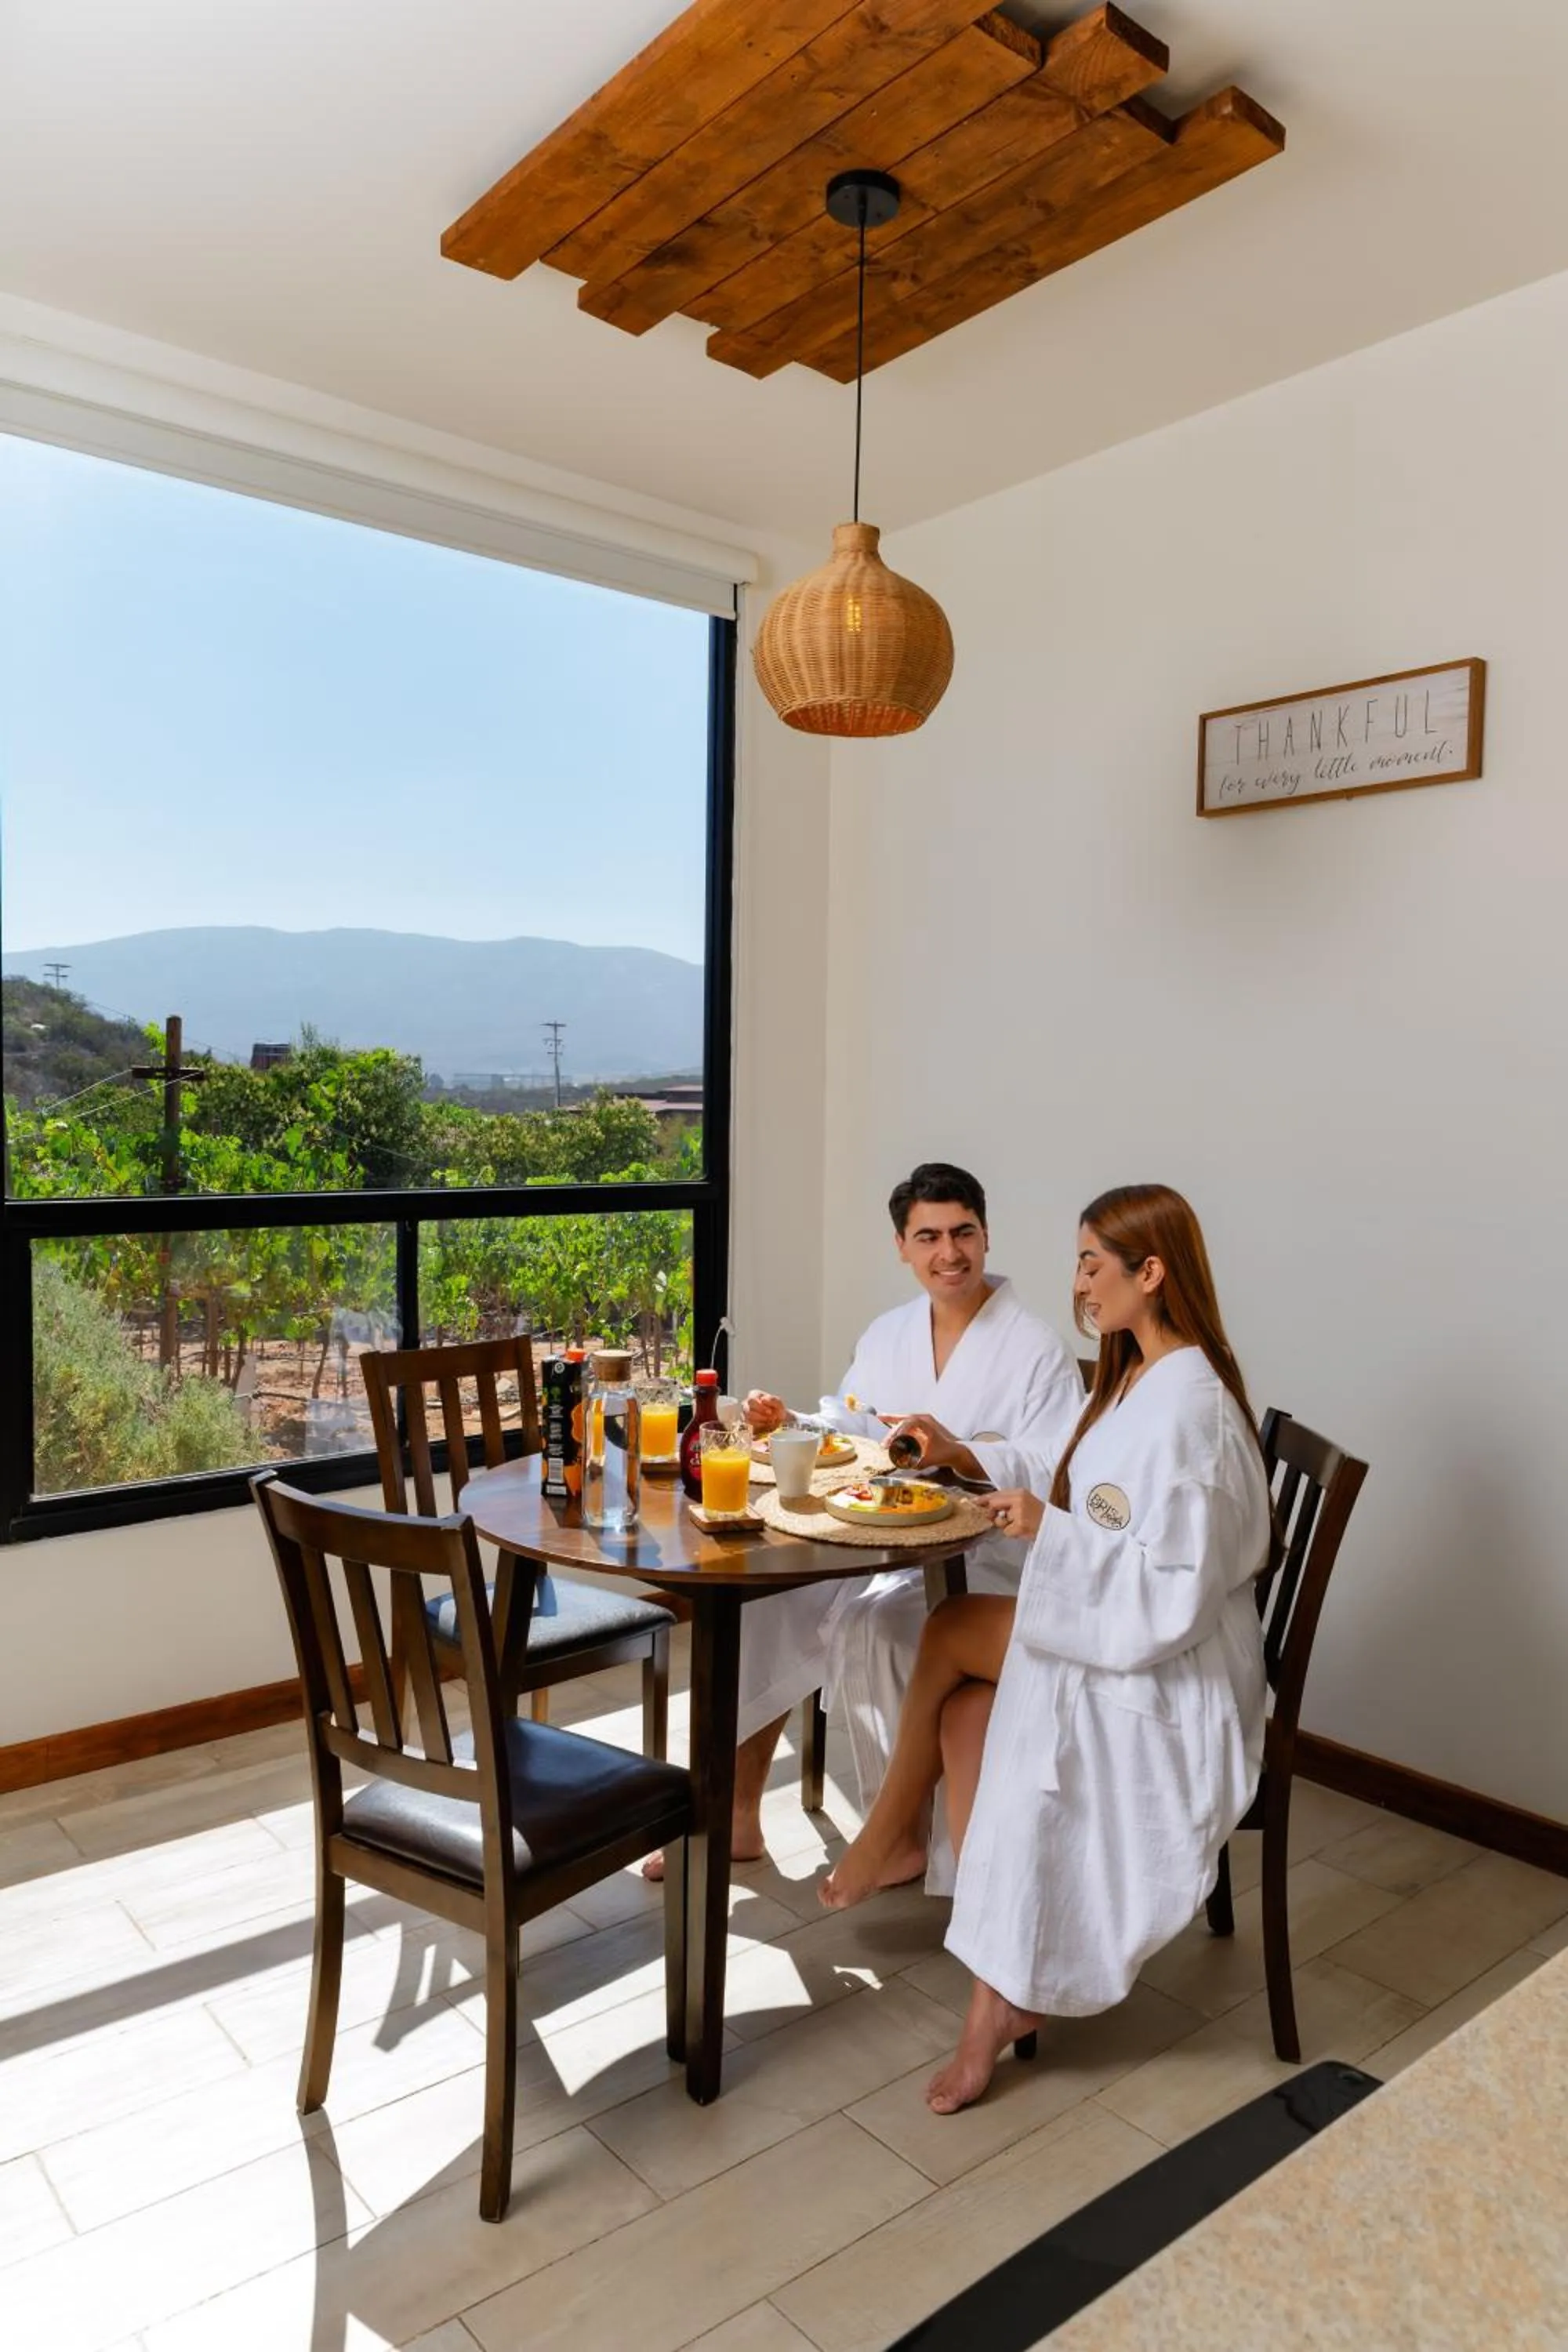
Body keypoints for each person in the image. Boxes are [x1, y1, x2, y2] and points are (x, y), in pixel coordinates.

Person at [820, 1183, 1270, 2117]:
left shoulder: (1185, 1405)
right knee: (967, 1705)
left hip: (1169, 1671)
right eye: (1075, 1263)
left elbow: (1173, 1587)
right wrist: (1042, 1516)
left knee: (948, 1634)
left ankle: (926, 1884)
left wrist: (1047, 1531)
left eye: (1091, 1265)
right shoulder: (1139, 1374)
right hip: (1116, 1623)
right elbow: (1108, 1513)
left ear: (1150, 1274)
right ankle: (1002, 1978)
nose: (1077, 1285)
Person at [642, 1163, 1083, 1884]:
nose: (950, 1253)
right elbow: (853, 1422)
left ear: (987, 1235)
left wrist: (962, 1450)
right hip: (877, 1537)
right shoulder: (890, 1333)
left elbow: (1058, 1461)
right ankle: (737, 1814)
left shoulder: (1035, 1347)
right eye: (930, 1236)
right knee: (767, 1604)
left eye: (964, 1233)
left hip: (985, 1552)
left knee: (884, 1625)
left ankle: (907, 1834)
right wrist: (794, 1422)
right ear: (901, 1246)